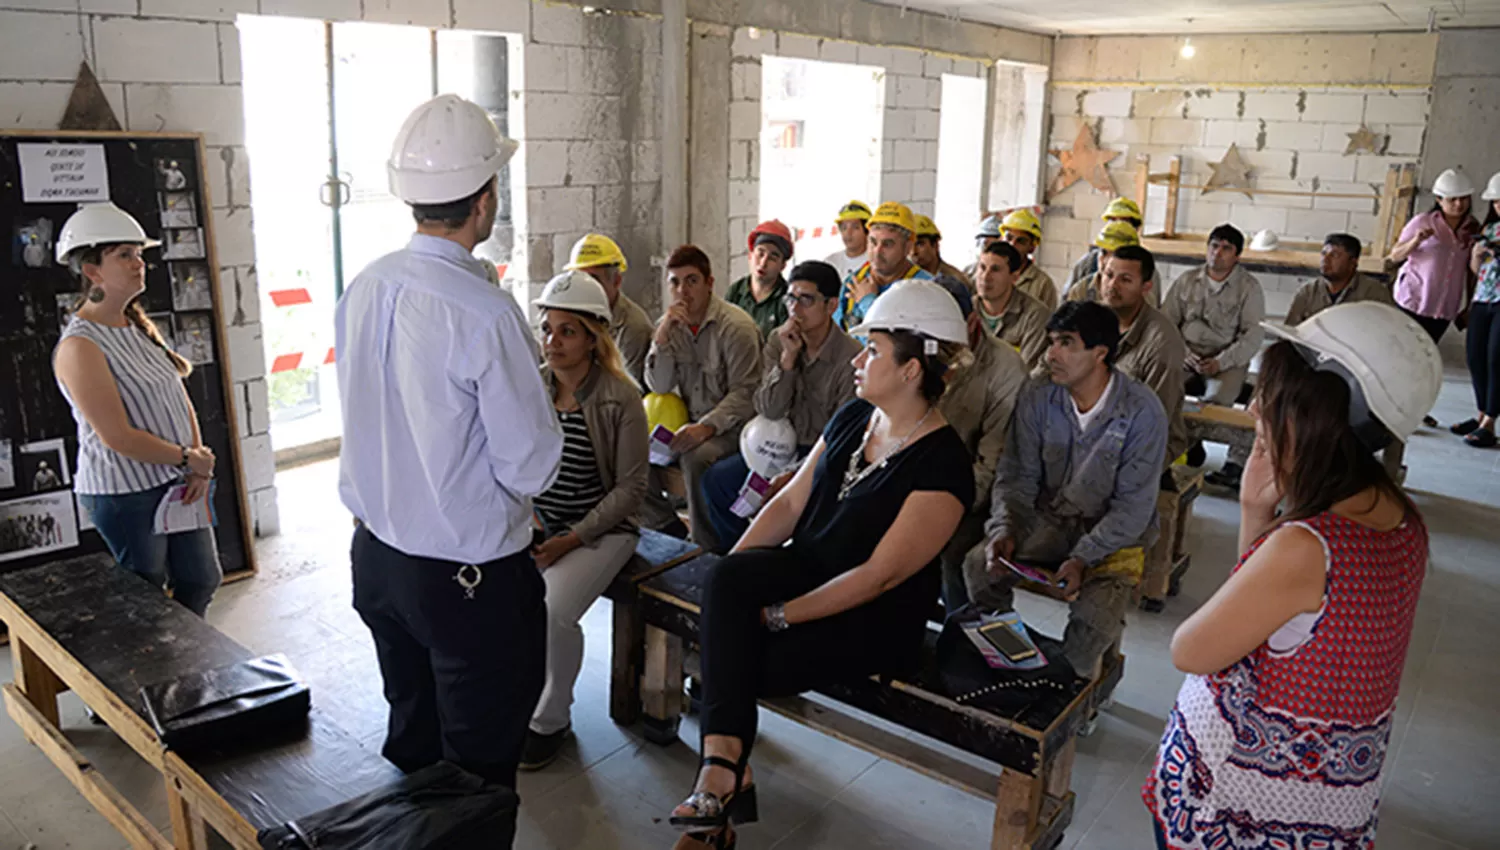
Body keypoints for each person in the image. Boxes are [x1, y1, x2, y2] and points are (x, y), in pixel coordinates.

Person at [667, 281, 975, 849]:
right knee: (727, 585)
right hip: (813, 569)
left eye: (874, 350)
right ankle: (725, 772)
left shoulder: (945, 465)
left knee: (742, 661)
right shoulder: (856, 416)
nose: (858, 360)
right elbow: (788, 503)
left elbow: (879, 575)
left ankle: (723, 790)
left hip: (875, 616)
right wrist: (730, 583)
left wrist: (780, 615)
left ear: (912, 370)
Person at [1143, 302, 1442, 850]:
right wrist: (1259, 515)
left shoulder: (1306, 548)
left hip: (1244, 812)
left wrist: (1261, 523)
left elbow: (1192, 650)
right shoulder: (1405, 522)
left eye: (1271, 398)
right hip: (1328, 811)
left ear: (1315, 415)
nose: (1256, 409)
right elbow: (1280, 624)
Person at [337, 95, 564, 795]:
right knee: (478, 771)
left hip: (377, 562)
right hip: (464, 582)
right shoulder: (485, 313)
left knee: (414, 742)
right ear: (486, 199)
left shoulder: (366, 285)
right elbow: (532, 464)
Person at [963, 301, 1168, 677]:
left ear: (1100, 353)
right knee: (980, 565)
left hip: (1116, 536)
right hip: (1051, 518)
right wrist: (1005, 528)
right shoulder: (1039, 394)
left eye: (1066, 343)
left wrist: (1083, 557)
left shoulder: (1142, 410)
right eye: (1051, 342)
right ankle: (1012, 661)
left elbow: (1133, 508)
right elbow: (1017, 474)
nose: (1051, 354)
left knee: (1094, 618)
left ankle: (1067, 687)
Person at [52, 201, 222, 617]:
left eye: (139, 254)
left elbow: (178, 398)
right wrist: (187, 459)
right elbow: (118, 436)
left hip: (175, 480)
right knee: (145, 594)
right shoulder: (80, 345)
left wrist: (196, 462)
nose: (138, 263)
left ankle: (182, 660)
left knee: (202, 577)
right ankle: (148, 673)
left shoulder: (134, 328)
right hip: (125, 491)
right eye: (124, 255)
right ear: (92, 270)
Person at [521, 271, 650, 771]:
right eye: (548, 329)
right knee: (497, 596)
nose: (553, 342)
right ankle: (514, 700)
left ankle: (550, 721)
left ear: (594, 338)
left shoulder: (622, 396)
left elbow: (631, 489)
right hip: (541, 520)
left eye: (568, 331)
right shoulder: (534, 383)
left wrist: (570, 539)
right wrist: (530, 518)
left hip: (601, 529)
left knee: (554, 610)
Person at [699, 261, 860, 551]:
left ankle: (777, 563)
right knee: (717, 482)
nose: (795, 310)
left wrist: (798, 473)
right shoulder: (779, 340)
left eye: (806, 300)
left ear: (831, 305)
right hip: (776, 447)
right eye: (790, 298)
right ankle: (740, 556)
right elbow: (768, 409)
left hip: (821, 456)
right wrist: (787, 360)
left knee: (802, 505)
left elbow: (841, 437)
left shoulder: (850, 357)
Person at [644, 245, 763, 551]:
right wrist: (662, 338)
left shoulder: (736, 328)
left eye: (692, 280)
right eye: (675, 282)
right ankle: (665, 529)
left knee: (696, 457)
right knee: (633, 450)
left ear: (710, 283)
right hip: (690, 423)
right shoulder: (669, 326)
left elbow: (746, 394)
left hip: (734, 429)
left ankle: (705, 549)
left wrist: (706, 427)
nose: (683, 290)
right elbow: (659, 384)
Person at [932, 278, 1027, 611]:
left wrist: (939, 506)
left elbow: (993, 464)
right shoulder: (917, 351)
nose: (935, 344)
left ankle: (966, 640)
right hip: (925, 482)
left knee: (953, 552)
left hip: (977, 495)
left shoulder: (1005, 369)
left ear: (971, 323)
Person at [1161, 225, 1265, 468]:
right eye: (1214, 246)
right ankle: (1178, 446)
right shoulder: (1187, 281)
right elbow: (1165, 324)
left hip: (1226, 361)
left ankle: (1196, 446)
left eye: (1226, 248)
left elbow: (1253, 335)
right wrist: (1183, 354)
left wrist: (1221, 362)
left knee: (1217, 402)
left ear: (1237, 256)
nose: (1217, 253)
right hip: (1185, 354)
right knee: (1163, 389)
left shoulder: (1249, 288)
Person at [1389, 167, 1480, 427]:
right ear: (1439, 200)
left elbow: (1471, 272)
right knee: (1405, 358)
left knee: (1426, 362)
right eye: (1452, 199)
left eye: (1463, 198)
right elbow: (1395, 255)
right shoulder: (1422, 222)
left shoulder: (1471, 229)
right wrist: (1415, 241)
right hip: (1414, 301)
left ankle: (1416, 409)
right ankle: (1395, 408)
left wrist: (1469, 304)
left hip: (1444, 308)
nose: (1459, 204)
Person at [1093, 245, 1189, 467]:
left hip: (1141, 443)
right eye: (1108, 275)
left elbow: (1152, 420)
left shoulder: (1162, 342)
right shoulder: (1089, 319)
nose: (1112, 286)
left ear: (1146, 287)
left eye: (1125, 280)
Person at [565, 232, 654, 388]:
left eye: (594, 280)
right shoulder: (570, 315)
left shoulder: (633, 327)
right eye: (580, 279)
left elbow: (630, 392)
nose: (586, 289)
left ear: (616, 281)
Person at [833, 202, 934, 331]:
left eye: (887, 244)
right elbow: (838, 335)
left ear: (908, 247)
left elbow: (894, 341)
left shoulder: (926, 287)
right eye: (873, 242)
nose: (877, 251)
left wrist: (867, 301)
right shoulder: (854, 282)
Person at [1453, 173, 1500, 448]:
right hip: (1483, 299)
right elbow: (1476, 271)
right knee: (1475, 357)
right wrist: (1476, 255)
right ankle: (1481, 413)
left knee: (1496, 359)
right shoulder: (1490, 230)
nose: (1498, 207)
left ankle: (1490, 423)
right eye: (1495, 202)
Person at [975, 239, 1050, 370]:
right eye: (982, 268)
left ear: (1014, 277)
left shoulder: (1034, 315)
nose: (985, 277)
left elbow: (1026, 373)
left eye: (995, 270)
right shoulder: (964, 310)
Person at [1066, 219, 1163, 308]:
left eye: (1115, 255)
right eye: (1103, 252)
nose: (1104, 260)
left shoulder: (1145, 299)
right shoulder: (1080, 291)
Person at [725, 220, 793, 339]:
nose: (763, 263)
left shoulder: (787, 299)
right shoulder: (736, 292)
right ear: (750, 256)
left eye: (773, 257)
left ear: (782, 266)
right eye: (760, 253)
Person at [1066, 196, 1143, 293]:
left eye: (1124, 222)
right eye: (1113, 221)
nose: (1118, 226)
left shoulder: (1145, 270)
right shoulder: (1086, 264)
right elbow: (1067, 301)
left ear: (1135, 229)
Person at [1000, 209, 1060, 309]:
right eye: (1009, 238)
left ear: (1032, 248)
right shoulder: (984, 273)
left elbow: (1048, 322)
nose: (1012, 245)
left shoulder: (1043, 284)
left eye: (1021, 241)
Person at [911, 215, 972, 290]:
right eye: (910, 245)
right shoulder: (905, 278)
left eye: (920, 244)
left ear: (935, 245)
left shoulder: (955, 281)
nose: (913, 252)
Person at [823, 200, 872, 281]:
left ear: (867, 231)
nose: (848, 233)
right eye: (844, 228)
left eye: (855, 227)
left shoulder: (875, 263)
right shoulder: (830, 263)